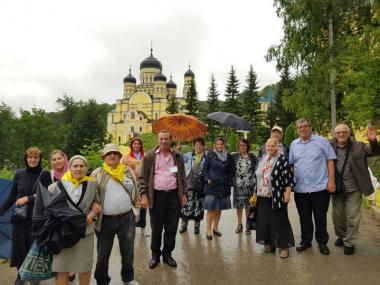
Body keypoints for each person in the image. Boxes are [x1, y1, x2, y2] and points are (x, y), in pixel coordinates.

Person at [0, 147, 52, 285]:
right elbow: (12, 195)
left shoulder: (45, 174)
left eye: (36, 157)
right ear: (26, 158)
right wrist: (1, 210)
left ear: (40, 159)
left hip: (37, 218)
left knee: (33, 247)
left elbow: (47, 195)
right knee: (19, 248)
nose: (33, 160)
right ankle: (21, 274)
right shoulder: (19, 174)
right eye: (30, 157)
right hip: (19, 218)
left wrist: (28, 199)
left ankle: (34, 276)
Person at [92, 144, 141, 285]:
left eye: (115, 153)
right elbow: (91, 196)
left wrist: (136, 211)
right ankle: (102, 280)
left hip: (127, 219)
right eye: (109, 154)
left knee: (128, 252)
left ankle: (128, 277)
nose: (112, 156)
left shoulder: (127, 171)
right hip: (105, 221)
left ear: (120, 156)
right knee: (103, 254)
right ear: (104, 157)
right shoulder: (97, 173)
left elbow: (136, 193)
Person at [49, 155, 101, 285]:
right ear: (70, 168)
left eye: (82, 166)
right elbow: (49, 209)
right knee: (62, 268)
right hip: (63, 233)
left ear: (86, 168)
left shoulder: (93, 184)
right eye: (75, 166)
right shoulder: (55, 186)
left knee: (84, 267)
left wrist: (93, 213)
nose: (78, 169)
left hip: (85, 232)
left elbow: (98, 203)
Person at [139, 130, 187, 269]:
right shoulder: (149, 156)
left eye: (166, 139)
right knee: (156, 228)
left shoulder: (177, 156)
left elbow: (182, 177)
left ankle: (167, 254)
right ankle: (155, 255)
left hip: (173, 197)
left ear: (170, 139)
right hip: (157, 196)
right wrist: (144, 195)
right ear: (158, 140)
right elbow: (143, 178)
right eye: (161, 139)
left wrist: (183, 194)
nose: (163, 141)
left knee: (172, 228)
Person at [289, 118, 336, 255]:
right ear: (297, 130)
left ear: (310, 127)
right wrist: (290, 184)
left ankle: (322, 242)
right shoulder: (294, 144)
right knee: (304, 217)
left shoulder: (321, 141)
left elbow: (330, 161)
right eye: (300, 127)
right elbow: (291, 165)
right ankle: (306, 241)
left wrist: (331, 181)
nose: (302, 129)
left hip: (320, 188)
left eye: (305, 126)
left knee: (320, 217)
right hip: (301, 189)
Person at [331, 123, 380, 255]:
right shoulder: (330, 146)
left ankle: (350, 242)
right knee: (338, 217)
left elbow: (374, 151)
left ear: (349, 134)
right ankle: (342, 236)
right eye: (338, 132)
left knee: (352, 217)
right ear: (335, 135)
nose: (341, 134)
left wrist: (373, 140)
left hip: (354, 189)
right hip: (337, 188)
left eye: (344, 132)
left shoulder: (359, 146)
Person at [255, 138, 295, 258]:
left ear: (277, 147)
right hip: (262, 195)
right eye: (268, 146)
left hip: (277, 195)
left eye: (273, 146)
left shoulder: (282, 159)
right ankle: (270, 243)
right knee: (265, 220)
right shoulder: (262, 158)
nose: (270, 148)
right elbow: (257, 176)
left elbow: (289, 178)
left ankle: (283, 246)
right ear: (265, 146)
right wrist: (254, 193)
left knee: (280, 220)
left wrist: (287, 194)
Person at [49, 150, 76, 282]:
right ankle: (60, 269)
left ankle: (71, 268)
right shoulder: (50, 175)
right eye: (54, 159)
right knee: (59, 240)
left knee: (72, 241)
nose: (57, 161)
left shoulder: (72, 173)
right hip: (56, 213)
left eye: (59, 158)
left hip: (72, 212)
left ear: (65, 159)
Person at [203, 137, 234, 240]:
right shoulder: (210, 155)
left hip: (224, 187)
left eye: (221, 144)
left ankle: (215, 228)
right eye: (218, 144)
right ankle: (208, 230)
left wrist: (229, 181)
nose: (220, 146)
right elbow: (205, 169)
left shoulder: (229, 157)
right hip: (212, 186)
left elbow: (231, 171)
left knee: (219, 208)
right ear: (215, 145)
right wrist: (208, 179)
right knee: (211, 208)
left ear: (224, 145)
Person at [121, 136, 148, 237]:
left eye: (138, 144)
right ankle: (130, 228)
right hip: (130, 185)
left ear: (140, 145)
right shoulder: (126, 156)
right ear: (131, 145)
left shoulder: (145, 156)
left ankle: (143, 229)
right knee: (131, 207)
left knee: (143, 207)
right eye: (134, 144)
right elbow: (121, 168)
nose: (136, 145)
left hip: (142, 185)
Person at [179, 137, 207, 235]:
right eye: (196, 145)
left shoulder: (207, 157)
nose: (198, 147)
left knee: (199, 205)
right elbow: (179, 159)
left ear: (203, 146)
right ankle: (184, 225)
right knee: (186, 204)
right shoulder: (189, 155)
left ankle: (197, 226)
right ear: (194, 146)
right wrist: (179, 150)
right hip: (188, 183)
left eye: (200, 145)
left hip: (200, 185)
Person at [232, 139, 257, 235]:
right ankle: (239, 224)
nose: (242, 147)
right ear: (238, 146)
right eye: (240, 145)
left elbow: (257, 169)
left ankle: (248, 225)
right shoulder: (234, 156)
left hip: (249, 186)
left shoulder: (252, 157)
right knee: (239, 206)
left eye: (244, 145)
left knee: (248, 206)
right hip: (238, 186)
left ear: (247, 146)